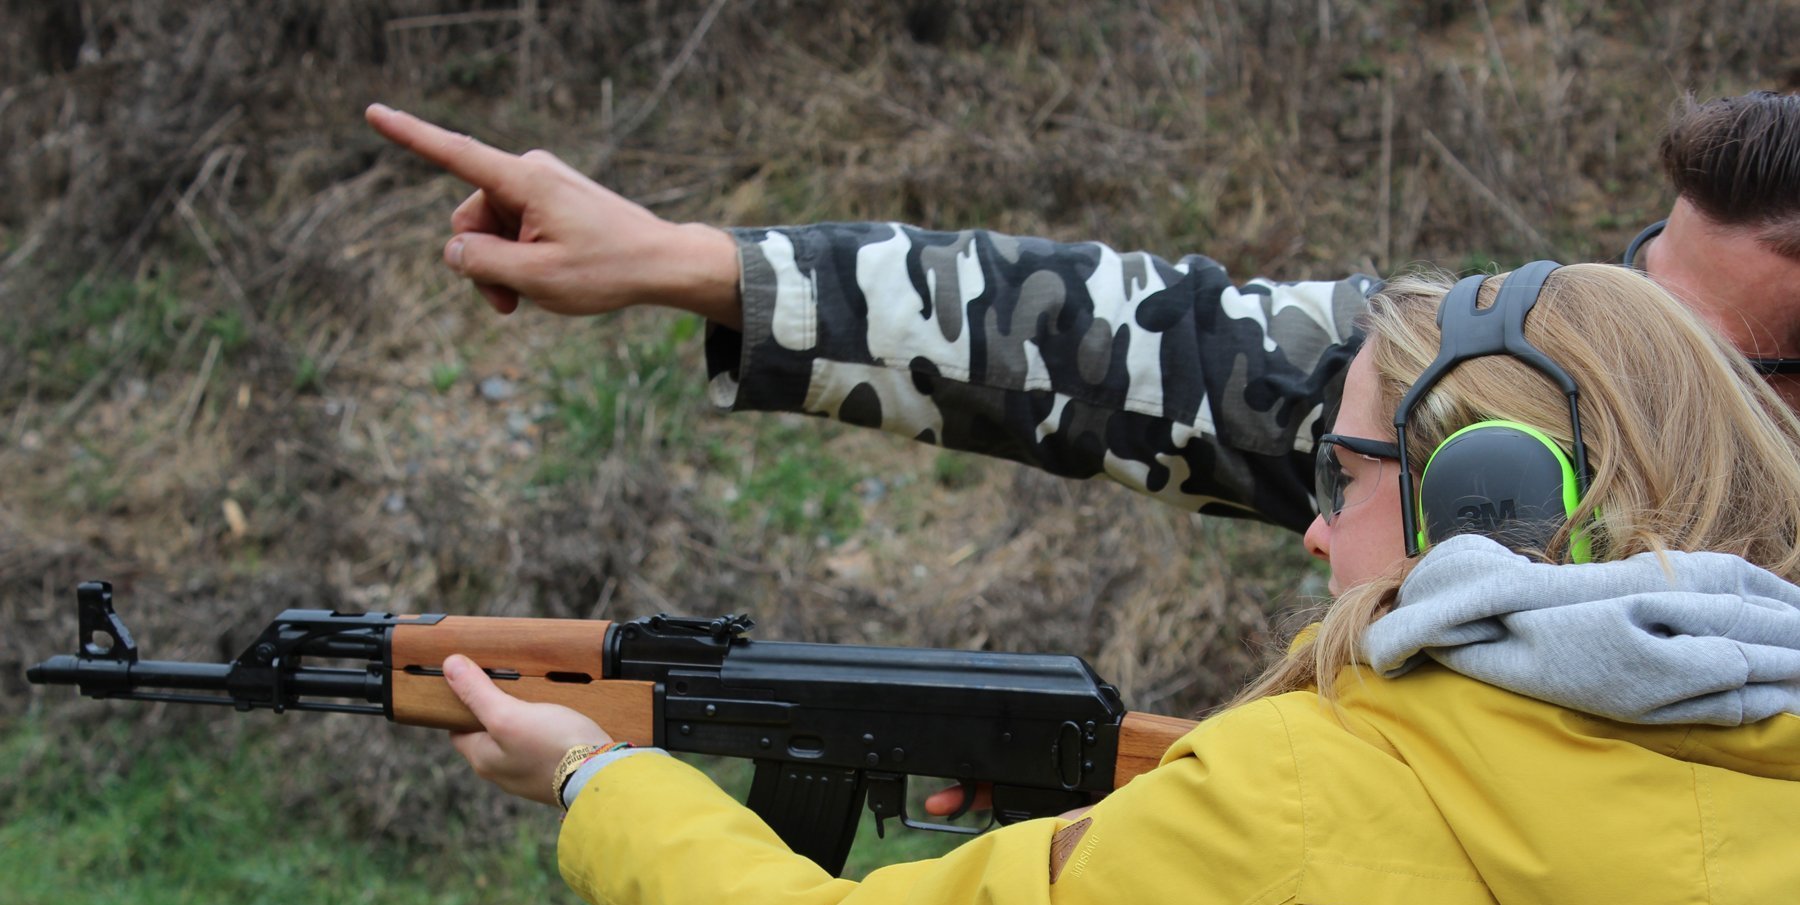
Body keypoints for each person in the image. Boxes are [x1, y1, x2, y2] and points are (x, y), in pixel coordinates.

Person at [436, 260, 1800, 905]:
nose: (1319, 523)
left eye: (1347, 471)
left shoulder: (1285, 804)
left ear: (1490, 497)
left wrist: (597, 780)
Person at [363, 90, 1800, 542]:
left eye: (1710, 368)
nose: (1614, 356)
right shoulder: (1514, 380)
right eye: (1628, 281)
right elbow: (1135, 347)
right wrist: (696, 263)